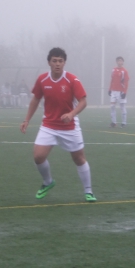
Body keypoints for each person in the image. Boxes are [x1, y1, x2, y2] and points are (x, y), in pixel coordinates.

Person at [19, 47, 96, 202]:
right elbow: (35, 99)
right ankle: (48, 182)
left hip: (69, 127)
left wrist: (71, 114)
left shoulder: (72, 80)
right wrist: (26, 120)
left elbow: (83, 101)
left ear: (64, 63)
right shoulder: (42, 80)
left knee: (79, 158)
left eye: (60, 61)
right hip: (49, 125)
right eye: (54, 61)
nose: (57, 64)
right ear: (49, 62)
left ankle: (88, 191)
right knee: (38, 156)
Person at [108, 56, 130, 128]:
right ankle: (114, 122)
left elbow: (126, 82)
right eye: (118, 61)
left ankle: (124, 122)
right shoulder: (113, 70)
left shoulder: (124, 71)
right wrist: (110, 89)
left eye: (121, 61)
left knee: (122, 107)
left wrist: (125, 92)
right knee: (112, 106)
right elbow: (112, 80)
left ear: (123, 62)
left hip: (121, 91)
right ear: (116, 62)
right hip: (114, 91)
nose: (119, 62)